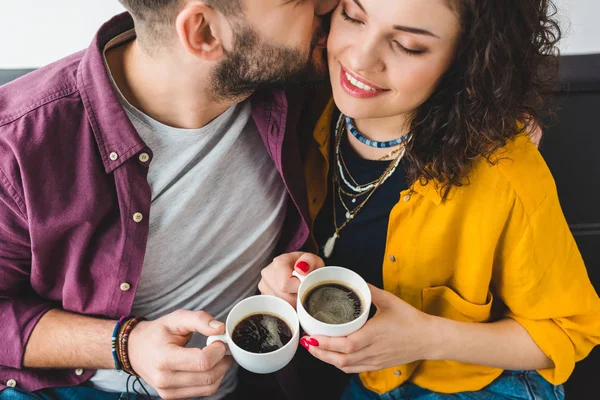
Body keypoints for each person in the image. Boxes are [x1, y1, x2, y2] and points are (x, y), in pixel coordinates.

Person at [259, 0, 600, 398]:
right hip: (355, 379)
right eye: (353, 16)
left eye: (407, 45)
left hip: (476, 384)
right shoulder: (302, 109)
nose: (360, 58)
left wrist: (427, 337)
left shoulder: (506, 171)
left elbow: (570, 331)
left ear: (466, 60)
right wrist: (287, 280)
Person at [0, 0, 338, 399]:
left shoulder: (293, 81)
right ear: (204, 32)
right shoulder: (19, 145)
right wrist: (126, 345)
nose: (328, 4)